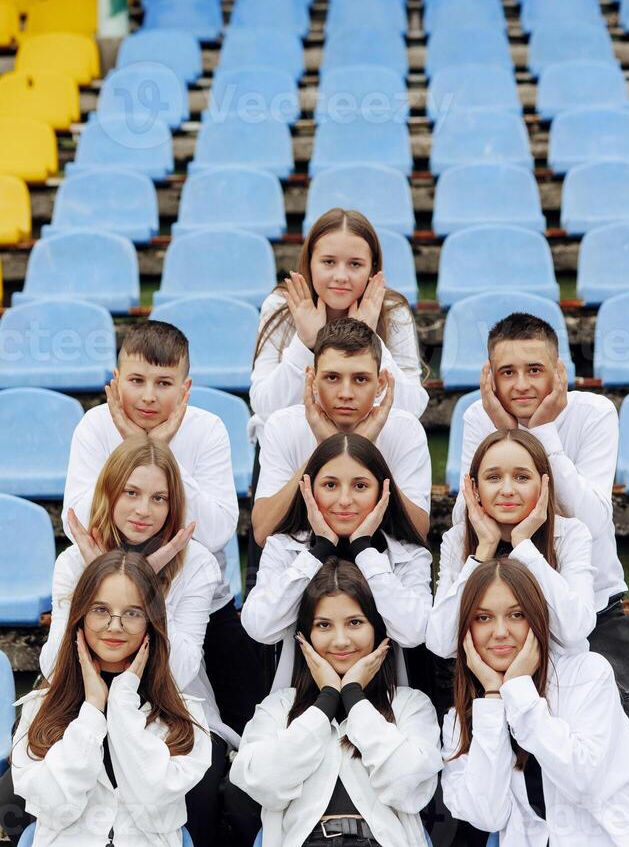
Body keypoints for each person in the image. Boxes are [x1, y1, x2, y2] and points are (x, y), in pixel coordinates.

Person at [451, 311, 629, 781]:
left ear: (559, 372)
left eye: (534, 370)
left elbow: (595, 523)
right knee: (508, 756)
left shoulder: (594, 412)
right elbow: (475, 515)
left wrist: (536, 434)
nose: (521, 385)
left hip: (592, 607)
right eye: (507, 372)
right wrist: (504, 433)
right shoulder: (477, 416)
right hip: (510, 610)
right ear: (489, 376)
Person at [62, 320, 263, 737]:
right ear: (116, 383)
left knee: (244, 721)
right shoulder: (95, 426)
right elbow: (79, 524)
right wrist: (132, 451)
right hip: (111, 605)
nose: (149, 396)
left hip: (197, 601)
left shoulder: (207, 429)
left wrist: (161, 452)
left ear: (185, 389)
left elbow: (216, 531)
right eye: (136, 381)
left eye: (164, 383)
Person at [441, 557, 629, 845]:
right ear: (466, 630)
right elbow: (486, 815)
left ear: (537, 618)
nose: (500, 631)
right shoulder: (462, 717)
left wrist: (518, 690)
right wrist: (492, 698)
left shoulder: (587, 674)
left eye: (516, 615)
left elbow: (584, 782)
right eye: (483, 618)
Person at [231, 557, 441, 847]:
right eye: (324, 625)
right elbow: (263, 783)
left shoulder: (410, 705)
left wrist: (354, 697)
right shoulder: (278, 707)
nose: (340, 641)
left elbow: (408, 788)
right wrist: (326, 700)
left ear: (377, 629)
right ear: (305, 635)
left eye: (355, 622)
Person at [11, 551, 212, 846]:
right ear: (80, 616)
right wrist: (93, 708)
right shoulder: (38, 707)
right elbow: (56, 805)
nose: (115, 626)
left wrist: (121, 701)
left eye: (132, 613)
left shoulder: (184, 715)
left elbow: (152, 797)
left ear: (150, 623)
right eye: (101, 610)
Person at [241, 433, 432, 692]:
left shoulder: (409, 553)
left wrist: (363, 550)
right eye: (330, 485)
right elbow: (260, 626)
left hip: (385, 705)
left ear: (382, 491)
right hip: (299, 703)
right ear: (308, 488)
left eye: (360, 486)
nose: (344, 500)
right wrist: (319, 551)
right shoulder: (283, 547)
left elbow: (413, 632)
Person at [250, 207, 428, 446]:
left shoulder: (393, 312)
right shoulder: (281, 307)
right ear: (310, 262)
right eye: (328, 262)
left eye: (355, 264)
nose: (341, 276)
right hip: (290, 451)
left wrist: (367, 340)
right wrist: (304, 343)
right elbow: (264, 406)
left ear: (372, 270)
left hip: (367, 453)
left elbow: (412, 408)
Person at [252, 318, 432, 546]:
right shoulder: (282, 426)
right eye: (332, 378)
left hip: (383, 562)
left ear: (381, 383)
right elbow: (263, 531)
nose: (346, 393)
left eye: (360, 379)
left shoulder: (406, 429)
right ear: (312, 380)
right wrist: (327, 449)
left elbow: (418, 529)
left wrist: (361, 449)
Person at [427, 429, 596, 660]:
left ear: (544, 484)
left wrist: (523, 545)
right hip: (484, 681)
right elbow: (441, 642)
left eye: (522, 477)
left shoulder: (571, 534)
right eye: (493, 478)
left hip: (558, 678)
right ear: (475, 489)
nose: (507, 490)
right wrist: (483, 551)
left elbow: (575, 630)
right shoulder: (457, 539)